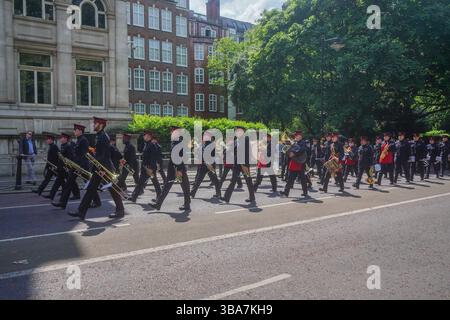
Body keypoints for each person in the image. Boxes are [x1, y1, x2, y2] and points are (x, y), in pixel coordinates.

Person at [69, 117, 125, 220]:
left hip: (103, 167)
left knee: (112, 189)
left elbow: (104, 155)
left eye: (95, 124)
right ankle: (81, 212)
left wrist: (102, 169)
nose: (94, 125)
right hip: (99, 167)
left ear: (101, 125)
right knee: (91, 189)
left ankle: (120, 210)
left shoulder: (103, 137)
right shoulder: (99, 136)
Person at [52, 124, 98, 210]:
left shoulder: (83, 140)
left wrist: (78, 166)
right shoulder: (79, 140)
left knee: (89, 184)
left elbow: (84, 155)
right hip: (76, 165)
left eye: (76, 130)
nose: (74, 131)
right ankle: (62, 203)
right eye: (74, 130)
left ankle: (97, 201)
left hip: (82, 166)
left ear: (80, 131)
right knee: (69, 183)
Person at [149, 126, 191, 212]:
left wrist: (179, 170)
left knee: (185, 186)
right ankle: (158, 204)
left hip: (177, 169)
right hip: (173, 168)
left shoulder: (179, 142)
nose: (170, 133)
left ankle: (187, 204)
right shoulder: (175, 141)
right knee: (167, 186)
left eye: (172, 131)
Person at [221, 126, 256, 204]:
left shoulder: (246, 139)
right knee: (233, 181)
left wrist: (245, 164)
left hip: (244, 164)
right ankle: (226, 198)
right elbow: (232, 149)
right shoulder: (237, 140)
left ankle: (252, 197)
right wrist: (225, 150)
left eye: (238, 131)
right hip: (237, 164)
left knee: (248, 181)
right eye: (236, 131)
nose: (236, 132)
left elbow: (248, 152)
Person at [130, 131, 162, 203]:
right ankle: (134, 197)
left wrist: (150, 168)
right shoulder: (146, 144)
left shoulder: (152, 145)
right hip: (145, 168)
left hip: (149, 169)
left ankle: (134, 197)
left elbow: (153, 158)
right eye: (144, 135)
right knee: (141, 183)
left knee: (154, 182)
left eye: (145, 135)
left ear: (149, 137)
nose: (144, 137)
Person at [45, 133, 76, 201]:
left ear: (65, 139)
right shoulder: (63, 146)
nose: (60, 139)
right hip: (61, 168)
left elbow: (71, 157)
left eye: (61, 138)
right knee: (58, 182)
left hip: (66, 168)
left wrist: (68, 167)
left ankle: (76, 194)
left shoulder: (68, 146)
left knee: (71, 182)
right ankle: (51, 195)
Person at [190, 132, 222, 199]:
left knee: (214, 180)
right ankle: (192, 193)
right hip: (204, 165)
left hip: (209, 165)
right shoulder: (203, 145)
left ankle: (218, 193)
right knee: (199, 180)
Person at [280, 131, 309, 198]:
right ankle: (286, 192)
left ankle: (305, 192)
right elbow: (291, 150)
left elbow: (302, 149)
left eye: (297, 136)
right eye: (295, 136)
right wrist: (287, 151)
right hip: (295, 162)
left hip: (300, 164)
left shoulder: (303, 142)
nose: (295, 137)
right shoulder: (295, 142)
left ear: (300, 136)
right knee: (290, 178)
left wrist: (294, 153)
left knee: (302, 179)